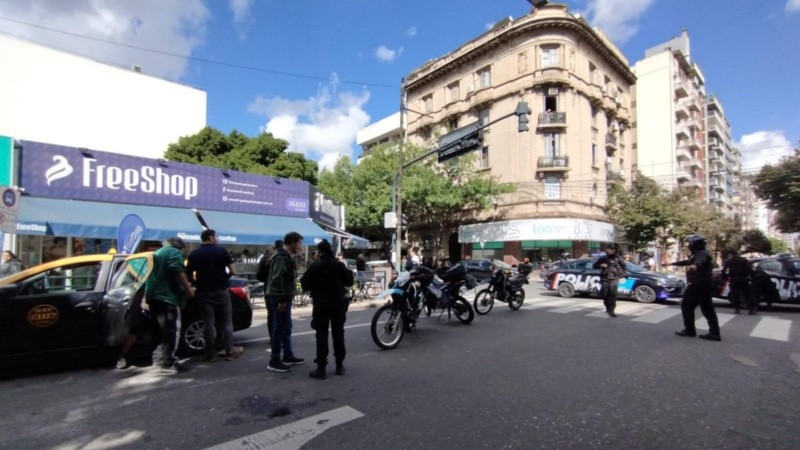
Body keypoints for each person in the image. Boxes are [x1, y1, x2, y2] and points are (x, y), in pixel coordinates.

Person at [301, 239, 354, 379]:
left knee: (321, 335)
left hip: (321, 304)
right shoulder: (339, 265)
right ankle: (339, 366)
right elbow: (350, 281)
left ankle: (321, 368)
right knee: (338, 334)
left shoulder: (315, 266)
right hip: (338, 303)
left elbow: (304, 284)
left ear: (319, 252)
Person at [187, 229, 242, 363]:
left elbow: (188, 273)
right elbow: (233, 271)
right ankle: (229, 351)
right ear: (211, 237)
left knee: (208, 322)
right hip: (221, 290)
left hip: (204, 291)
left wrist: (196, 283)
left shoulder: (194, 254)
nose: (217, 239)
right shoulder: (221, 251)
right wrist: (224, 278)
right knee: (227, 321)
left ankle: (209, 353)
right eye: (216, 237)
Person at [144, 236, 195, 373]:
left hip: (154, 296)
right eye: (182, 248)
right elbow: (176, 269)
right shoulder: (173, 252)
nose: (182, 251)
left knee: (159, 330)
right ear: (178, 245)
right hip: (167, 297)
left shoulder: (157, 253)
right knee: (172, 330)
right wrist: (188, 288)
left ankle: (158, 360)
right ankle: (168, 362)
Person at [266, 232, 305, 372]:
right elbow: (278, 279)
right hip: (279, 297)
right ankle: (274, 360)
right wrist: (281, 300)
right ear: (293, 242)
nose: (300, 246)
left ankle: (288, 355)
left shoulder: (284, 255)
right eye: (299, 243)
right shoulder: (282, 257)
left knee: (286, 326)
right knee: (279, 327)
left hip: (284, 296)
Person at [671, 235, 721, 341]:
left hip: (698, 285)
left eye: (689, 243)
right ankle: (714, 333)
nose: (688, 245)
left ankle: (690, 330)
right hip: (704, 285)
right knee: (707, 309)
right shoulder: (697, 254)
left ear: (694, 244)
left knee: (686, 306)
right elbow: (687, 262)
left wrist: (695, 265)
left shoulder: (701, 254)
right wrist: (671, 263)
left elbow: (699, 261)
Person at [256, 240, 283, 340]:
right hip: (281, 291)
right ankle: (280, 337)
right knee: (281, 315)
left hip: (268, 289)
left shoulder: (265, 258)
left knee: (271, 314)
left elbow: (259, 276)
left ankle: (272, 336)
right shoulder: (284, 257)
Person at [592, 244, 624, 317]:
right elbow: (594, 266)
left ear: (614, 250)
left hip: (614, 279)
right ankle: (607, 306)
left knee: (612, 295)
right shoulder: (603, 258)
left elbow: (624, 267)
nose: (609, 250)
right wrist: (601, 265)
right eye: (608, 249)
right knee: (604, 294)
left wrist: (621, 276)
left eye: (611, 249)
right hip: (605, 278)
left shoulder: (618, 258)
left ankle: (611, 310)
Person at [721, 248, 754, 315]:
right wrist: (751, 277)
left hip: (733, 280)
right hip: (743, 279)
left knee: (735, 295)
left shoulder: (729, 261)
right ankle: (751, 310)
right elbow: (750, 270)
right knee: (747, 294)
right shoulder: (744, 260)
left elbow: (723, 271)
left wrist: (725, 278)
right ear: (737, 253)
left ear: (730, 254)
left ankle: (737, 309)